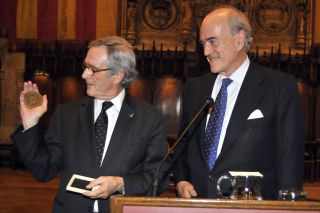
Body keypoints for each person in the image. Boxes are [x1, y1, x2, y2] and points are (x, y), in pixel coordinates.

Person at [11, 36, 168, 212]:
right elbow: (43, 170)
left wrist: (119, 184)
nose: (84, 74)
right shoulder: (67, 114)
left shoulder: (149, 118)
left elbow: (158, 178)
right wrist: (30, 124)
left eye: (93, 69)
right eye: (85, 67)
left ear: (117, 75)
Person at [173, 6, 304, 200]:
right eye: (203, 44)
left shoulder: (278, 86)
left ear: (239, 40)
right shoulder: (195, 88)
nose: (207, 51)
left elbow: (289, 157)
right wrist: (181, 180)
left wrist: (287, 204)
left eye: (213, 42)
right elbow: (183, 145)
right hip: (198, 204)